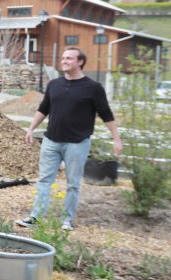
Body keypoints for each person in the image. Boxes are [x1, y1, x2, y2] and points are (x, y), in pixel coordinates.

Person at [17, 46, 123, 231]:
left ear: (80, 62)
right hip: (51, 141)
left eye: (69, 58)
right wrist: (31, 129)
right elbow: (44, 109)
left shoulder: (93, 88)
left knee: (73, 184)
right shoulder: (54, 85)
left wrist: (117, 139)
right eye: (63, 58)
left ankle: (67, 220)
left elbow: (106, 114)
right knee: (44, 181)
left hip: (77, 144)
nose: (64, 61)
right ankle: (36, 217)